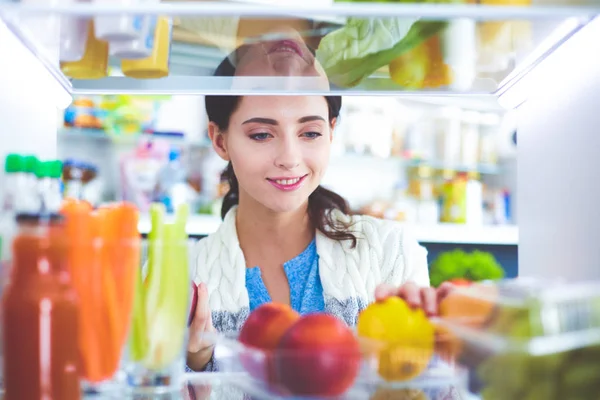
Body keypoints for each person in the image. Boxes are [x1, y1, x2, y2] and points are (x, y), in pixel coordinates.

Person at [185, 93, 455, 373]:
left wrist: (435, 349)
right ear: (220, 140)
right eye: (262, 135)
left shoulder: (390, 250)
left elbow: (422, 388)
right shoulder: (183, 274)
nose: (289, 158)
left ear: (331, 133)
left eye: (311, 133)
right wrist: (195, 366)